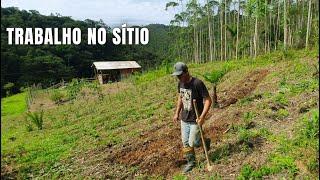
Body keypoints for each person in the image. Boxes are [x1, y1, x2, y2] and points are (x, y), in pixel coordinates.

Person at [172, 62, 212, 173]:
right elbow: (181, 98)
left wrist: (202, 117)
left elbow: (208, 100)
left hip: (195, 119)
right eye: (177, 76)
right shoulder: (180, 84)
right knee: (185, 143)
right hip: (184, 119)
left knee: (193, 142)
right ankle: (191, 162)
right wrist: (177, 113)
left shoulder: (197, 83)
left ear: (186, 72)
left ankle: (205, 141)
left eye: (180, 75)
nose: (179, 78)